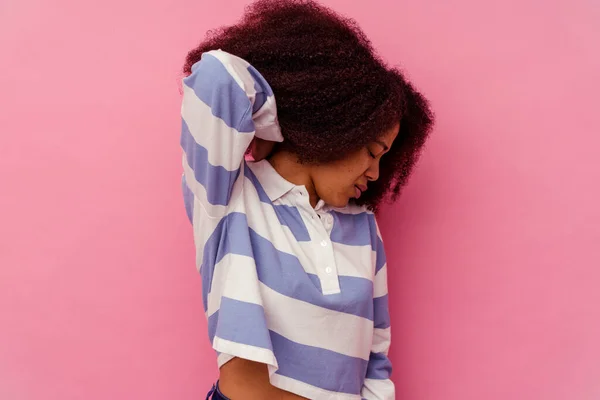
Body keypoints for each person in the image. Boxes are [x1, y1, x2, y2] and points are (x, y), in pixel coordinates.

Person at [179, 0, 433, 398]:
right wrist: (282, 122)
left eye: (385, 158)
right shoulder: (229, 197)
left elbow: (376, 362)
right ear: (339, 127)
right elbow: (217, 77)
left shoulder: (362, 226)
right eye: (371, 150)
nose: (375, 173)